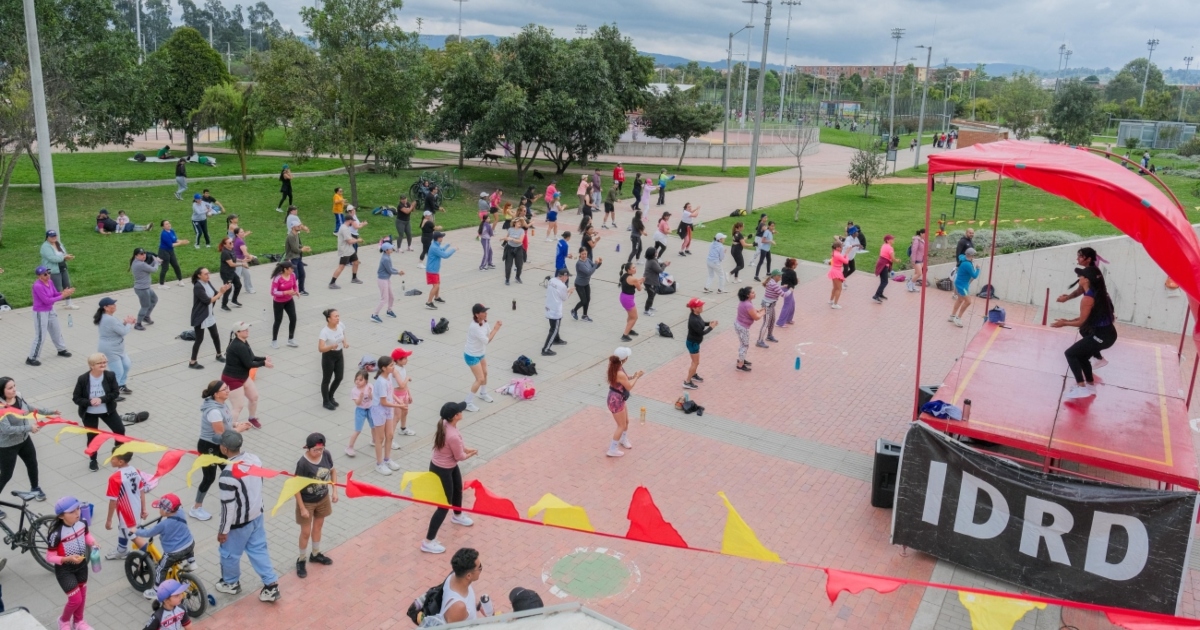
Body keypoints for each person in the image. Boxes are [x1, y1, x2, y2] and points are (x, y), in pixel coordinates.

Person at [214, 432, 281, 603]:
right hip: (257, 515)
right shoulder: (254, 459)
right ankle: (271, 585)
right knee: (258, 549)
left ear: (224, 448)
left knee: (229, 554)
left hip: (238, 523)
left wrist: (223, 531)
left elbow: (227, 507)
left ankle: (231, 583)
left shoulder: (227, 475)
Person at [1053, 266, 1118, 400]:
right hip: (1108, 333)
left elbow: (1082, 322)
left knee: (1070, 353)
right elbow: (1087, 318)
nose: (1079, 278)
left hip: (1102, 336)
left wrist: (1064, 323)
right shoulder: (1100, 293)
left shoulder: (1088, 298)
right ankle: (1090, 386)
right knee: (1082, 356)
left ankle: (1081, 388)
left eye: (1081, 276)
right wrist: (1068, 320)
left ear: (1086, 280)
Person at [421, 402, 477, 554]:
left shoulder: (446, 424)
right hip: (442, 470)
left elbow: (456, 446)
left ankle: (457, 515)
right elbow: (459, 456)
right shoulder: (451, 434)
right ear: (455, 416)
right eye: (459, 410)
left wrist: (465, 448)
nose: (461, 411)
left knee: (458, 489)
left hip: (447, 465)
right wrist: (470, 453)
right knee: (444, 505)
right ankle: (428, 541)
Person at [190, 380, 250, 521]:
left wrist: (236, 424)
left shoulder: (222, 404)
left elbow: (226, 422)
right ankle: (196, 508)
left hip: (220, 446)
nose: (228, 390)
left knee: (231, 472)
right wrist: (238, 430)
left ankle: (234, 502)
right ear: (216, 394)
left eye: (227, 388)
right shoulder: (214, 411)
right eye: (224, 389)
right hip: (209, 447)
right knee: (209, 478)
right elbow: (220, 435)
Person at [46, 496, 99, 630]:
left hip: (81, 566)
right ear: (61, 516)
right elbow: (49, 557)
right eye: (72, 512)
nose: (77, 513)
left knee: (82, 595)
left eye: (78, 509)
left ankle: (79, 622)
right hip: (65, 570)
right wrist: (66, 559)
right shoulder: (56, 534)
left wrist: (93, 542)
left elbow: (86, 535)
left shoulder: (83, 522)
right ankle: (63, 621)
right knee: (75, 599)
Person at [0, 378, 49, 514]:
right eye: (9, 388)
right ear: (2, 391)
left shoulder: (19, 397)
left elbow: (29, 408)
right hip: (7, 445)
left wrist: (49, 412)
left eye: (14, 386)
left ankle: (35, 488)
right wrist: (29, 428)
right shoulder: (0, 407)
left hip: (24, 440)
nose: (14, 389)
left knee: (32, 463)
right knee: (6, 475)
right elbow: (6, 429)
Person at [132, 494, 195, 598]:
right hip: (189, 544)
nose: (159, 509)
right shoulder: (181, 512)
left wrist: (136, 531)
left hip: (174, 552)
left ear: (166, 511)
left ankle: (156, 591)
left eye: (160, 507)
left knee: (161, 568)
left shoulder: (163, 525)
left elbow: (148, 533)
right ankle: (192, 562)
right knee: (187, 545)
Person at [293, 433, 337, 579]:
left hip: (323, 498)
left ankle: (315, 554)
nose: (319, 452)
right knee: (305, 532)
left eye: (321, 449)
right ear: (308, 448)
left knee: (318, 527)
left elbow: (332, 471)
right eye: (315, 450)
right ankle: (301, 559)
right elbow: (295, 487)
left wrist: (334, 490)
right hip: (307, 501)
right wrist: (302, 508)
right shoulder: (303, 463)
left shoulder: (326, 454)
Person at [223, 321, 271, 428]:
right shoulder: (238, 346)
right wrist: (264, 363)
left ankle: (252, 418)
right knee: (238, 406)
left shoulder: (244, 342)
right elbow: (249, 363)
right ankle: (229, 429)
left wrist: (264, 358)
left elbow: (251, 357)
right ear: (237, 332)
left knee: (254, 397)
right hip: (232, 379)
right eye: (244, 329)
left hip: (243, 376)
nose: (247, 331)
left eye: (247, 328)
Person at [102, 448, 147, 562]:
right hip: (136, 507)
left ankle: (151, 558)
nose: (110, 460)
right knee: (122, 529)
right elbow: (141, 491)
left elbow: (113, 501)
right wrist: (143, 509)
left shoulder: (115, 478)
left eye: (113, 458)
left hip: (127, 512)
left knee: (132, 536)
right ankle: (122, 550)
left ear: (120, 462)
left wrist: (109, 520)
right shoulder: (135, 470)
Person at [27, 266, 75, 367]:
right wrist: (63, 296)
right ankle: (32, 357)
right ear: (39, 276)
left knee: (56, 330)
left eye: (49, 273)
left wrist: (63, 292)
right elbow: (46, 300)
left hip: (51, 310)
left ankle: (61, 349)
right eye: (45, 274)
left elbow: (54, 294)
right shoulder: (37, 286)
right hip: (41, 312)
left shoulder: (50, 282)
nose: (48, 275)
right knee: (41, 335)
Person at [432, 548, 490, 623]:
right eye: (479, 567)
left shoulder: (454, 576)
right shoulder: (458, 607)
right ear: (468, 576)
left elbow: (467, 606)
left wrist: (477, 606)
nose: (481, 569)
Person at [369, 357, 405, 474]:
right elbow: (383, 401)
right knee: (380, 438)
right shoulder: (380, 382)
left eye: (393, 365)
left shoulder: (388, 377)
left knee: (389, 435)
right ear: (383, 368)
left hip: (388, 409)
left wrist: (398, 401)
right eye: (390, 365)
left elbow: (391, 393)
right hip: (379, 410)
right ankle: (379, 464)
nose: (393, 367)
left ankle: (387, 459)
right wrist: (398, 406)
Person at [189, 268, 229, 369]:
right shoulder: (198, 286)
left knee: (215, 335)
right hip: (200, 316)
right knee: (199, 339)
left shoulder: (207, 282)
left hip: (209, 314)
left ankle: (219, 355)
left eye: (208, 274)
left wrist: (222, 290)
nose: (208, 276)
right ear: (199, 275)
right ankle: (192, 362)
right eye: (206, 274)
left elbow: (216, 294)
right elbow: (207, 301)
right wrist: (221, 293)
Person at [605, 347, 642, 457]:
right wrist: (637, 377)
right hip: (616, 400)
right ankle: (612, 449)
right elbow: (629, 386)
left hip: (618, 397)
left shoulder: (615, 366)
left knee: (626, 421)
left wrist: (632, 376)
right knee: (621, 425)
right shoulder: (618, 371)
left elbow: (623, 379)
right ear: (624, 359)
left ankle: (623, 439)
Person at [94, 298, 135, 394]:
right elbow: (123, 331)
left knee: (126, 365)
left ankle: (121, 385)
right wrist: (129, 324)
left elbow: (117, 327)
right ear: (106, 308)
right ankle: (112, 393)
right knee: (118, 372)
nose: (115, 305)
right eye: (112, 304)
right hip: (110, 349)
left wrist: (124, 323)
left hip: (118, 348)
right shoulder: (109, 319)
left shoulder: (109, 317)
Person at [465, 304, 500, 412]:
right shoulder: (474, 327)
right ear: (477, 314)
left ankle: (483, 393)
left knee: (485, 373)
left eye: (486, 311)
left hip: (480, 353)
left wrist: (493, 330)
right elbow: (486, 340)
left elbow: (488, 334)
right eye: (483, 312)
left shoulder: (484, 322)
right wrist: (496, 329)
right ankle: (468, 402)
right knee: (479, 379)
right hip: (471, 355)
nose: (486, 313)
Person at [683, 298, 717, 390]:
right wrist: (711, 327)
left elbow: (701, 323)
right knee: (695, 362)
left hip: (694, 342)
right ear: (694, 308)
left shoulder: (696, 315)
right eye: (699, 306)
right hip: (693, 343)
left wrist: (709, 323)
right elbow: (701, 333)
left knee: (694, 362)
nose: (702, 307)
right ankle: (687, 381)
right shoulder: (693, 320)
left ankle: (693, 375)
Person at [318, 309, 348, 411]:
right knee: (327, 379)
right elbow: (320, 348)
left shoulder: (340, 325)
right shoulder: (324, 332)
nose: (338, 318)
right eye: (335, 316)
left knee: (339, 377)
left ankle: (330, 396)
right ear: (329, 319)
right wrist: (330, 347)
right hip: (328, 356)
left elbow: (343, 333)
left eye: (338, 316)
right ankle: (326, 401)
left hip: (339, 354)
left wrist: (344, 342)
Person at [40, 231, 78, 309]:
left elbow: (63, 253)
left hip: (62, 267)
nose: (54, 237)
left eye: (55, 236)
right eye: (51, 236)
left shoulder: (58, 243)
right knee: (56, 288)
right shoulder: (45, 247)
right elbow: (52, 258)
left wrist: (67, 256)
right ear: (47, 237)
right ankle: (49, 305)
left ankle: (69, 303)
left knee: (67, 285)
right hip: (53, 270)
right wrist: (64, 257)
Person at [542, 268, 572, 357]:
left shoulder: (552, 280)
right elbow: (565, 298)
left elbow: (557, 292)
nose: (567, 279)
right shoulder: (563, 286)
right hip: (555, 310)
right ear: (563, 276)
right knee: (553, 329)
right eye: (567, 277)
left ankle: (556, 339)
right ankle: (546, 349)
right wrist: (570, 291)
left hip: (548, 307)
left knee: (554, 326)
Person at [389, 347, 416, 445]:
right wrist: (408, 378)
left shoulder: (402, 368)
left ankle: (403, 429)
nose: (407, 360)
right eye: (405, 358)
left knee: (405, 412)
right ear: (398, 360)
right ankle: (390, 440)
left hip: (404, 394)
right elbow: (401, 384)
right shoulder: (395, 370)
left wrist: (409, 393)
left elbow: (404, 385)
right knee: (396, 417)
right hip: (397, 396)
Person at [129, 249, 161, 329]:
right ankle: (138, 324)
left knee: (154, 300)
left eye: (144, 254)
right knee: (145, 306)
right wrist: (156, 262)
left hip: (146, 287)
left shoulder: (138, 262)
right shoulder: (140, 264)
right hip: (142, 289)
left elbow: (149, 268)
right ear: (136, 256)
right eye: (141, 254)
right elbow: (154, 269)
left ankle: (146, 317)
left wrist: (155, 262)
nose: (144, 255)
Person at [330, 217, 365, 289]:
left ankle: (354, 278)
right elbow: (349, 241)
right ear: (349, 221)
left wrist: (356, 239)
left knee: (356, 262)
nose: (353, 223)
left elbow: (350, 238)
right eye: (352, 221)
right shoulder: (344, 229)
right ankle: (332, 283)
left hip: (350, 249)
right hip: (345, 250)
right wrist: (358, 240)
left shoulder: (345, 227)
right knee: (341, 267)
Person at [345, 370, 373, 457]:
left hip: (370, 408)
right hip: (360, 410)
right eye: (356, 379)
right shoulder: (354, 391)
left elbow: (373, 398)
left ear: (366, 381)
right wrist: (360, 397)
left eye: (360, 380)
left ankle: (374, 440)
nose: (358, 381)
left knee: (374, 426)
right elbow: (357, 403)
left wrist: (369, 394)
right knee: (358, 430)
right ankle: (350, 447)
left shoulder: (370, 386)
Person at [949, 248, 980, 327]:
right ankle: (958, 318)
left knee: (960, 300)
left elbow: (960, 255)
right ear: (971, 256)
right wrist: (978, 269)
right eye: (974, 255)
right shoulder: (967, 265)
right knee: (968, 301)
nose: (974, 257)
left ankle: (952, 316)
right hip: (963, 286)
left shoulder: (963, 259)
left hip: (959, 283)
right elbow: (975, 275)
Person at [734, 286, 762, 372]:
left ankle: (741, 359)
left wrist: (756, 310)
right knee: (745, 345)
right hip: (743, 328)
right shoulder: (748, 304)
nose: (754, 294)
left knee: (742, 343)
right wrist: (762, 313)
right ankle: (740, 365)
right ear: (747, 295)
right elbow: (756, 318)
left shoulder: (745, 302)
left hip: (738, 324)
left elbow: (750, 311)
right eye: (752, 292)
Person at [425, 231, 455, 309]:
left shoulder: (436, 245)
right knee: (436, 286)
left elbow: (441, 249)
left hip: (434, 269)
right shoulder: (434, 247)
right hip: (431, 270)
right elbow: (445, 255)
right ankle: (428, 302)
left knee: (438, 283)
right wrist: (454, 249)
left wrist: (448, 245)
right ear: (438, 238)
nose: (442, 238)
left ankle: (437, 297)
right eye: (441, 237)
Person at [572, 248, 601, 322]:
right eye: (582, 254)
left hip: (586, 283)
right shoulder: (579, 264)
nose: (584, 255)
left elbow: (595, 267)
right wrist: (596, 264)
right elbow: (589, 272)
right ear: (580, 254)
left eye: (585, 254)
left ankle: (584, 315)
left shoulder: (587, 260)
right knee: (583, 301)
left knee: (588, 299)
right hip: (579, 284)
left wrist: (599, 262)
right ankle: (574, 310)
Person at [157, 220, 188, 288]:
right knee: (165, 268)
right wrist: (181, 243)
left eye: (169, 223)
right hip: (164, 252)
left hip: (170, 251)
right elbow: (171, 245)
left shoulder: (172, 231)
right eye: (166, 224)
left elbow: (175, 240)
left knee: (176, 265)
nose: (168, 225)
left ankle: (180, 280)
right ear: (163, 227)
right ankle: (161, 284)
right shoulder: (164, 234)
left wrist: (182, 241)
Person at [756, 270, 782, 348]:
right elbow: (783, 294)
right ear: (775, 276)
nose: (781, 277)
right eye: (779, 275)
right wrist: (790, 291)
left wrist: (783, 287)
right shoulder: (773, 284)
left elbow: (777, 289)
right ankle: (759, 341)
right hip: (767, 305)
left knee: (772, 319)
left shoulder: (772, 282)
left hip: (771, 305)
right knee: (766, 322)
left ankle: (769, 335)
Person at [619, 262, 644, 342]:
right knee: (634, 317)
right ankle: (625, 335)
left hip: (623, 297)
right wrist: (641, 281)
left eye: (635, 267)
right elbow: (639, 289)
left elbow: (632, 283)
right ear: (628, 269)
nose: (635, 269)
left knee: (630, 316)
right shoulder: (633, 279)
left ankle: (629, 329)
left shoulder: (625, 276)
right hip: (628, 299)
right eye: (633, 268)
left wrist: (638, 281)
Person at [216, 237, 243, 311]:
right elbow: (231, 264)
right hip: (226, 273)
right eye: (230, 243)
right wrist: (242, 264)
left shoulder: (231, 249)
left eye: (232, 242)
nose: (232, 244)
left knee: (238, 285)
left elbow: (234, 259)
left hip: (231, 272)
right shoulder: (225, 253)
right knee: (228, 288)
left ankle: (234, 300)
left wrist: (243, 260)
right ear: (225, 245)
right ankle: (223, 305)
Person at [231, 227, 257, 294]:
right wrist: (251, 257)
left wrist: (247, 233)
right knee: (237, 277)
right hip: (239, 261)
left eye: (243, 231)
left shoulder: (236, 239)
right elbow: (245, 253)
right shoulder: (240, 241)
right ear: (237, 234)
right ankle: (231, 292)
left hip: (241, 260)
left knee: (247, 275)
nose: (243, 233)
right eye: (241, 232)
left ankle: (249, 288)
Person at [643, 249, 668, 317]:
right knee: (651, 295)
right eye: (656, 252)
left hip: (652, 281)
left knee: (653, 293)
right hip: (649, 281)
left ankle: (650, 306)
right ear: (653, 254)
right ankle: (646, 310)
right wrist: (664, 265)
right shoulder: (652, 261)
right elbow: (660, 270)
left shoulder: (653, 259)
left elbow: (658, 265)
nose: (657, 253)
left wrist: (663, 263)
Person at [873, 234, 896, 304]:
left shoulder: (884, 245)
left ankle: (880, 294)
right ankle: (876, 295)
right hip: (884, 265)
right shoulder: (890, 248)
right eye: (892, 239)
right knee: (885, 282)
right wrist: (897, 260)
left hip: (880, 264)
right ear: (888, 240)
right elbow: (893, 259)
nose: (893, 240)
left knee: (882, 281)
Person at [777, 259, 799, 327]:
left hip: (785, 288)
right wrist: (797, 280)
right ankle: (780, 322)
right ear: (792, 265)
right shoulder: (793, 272)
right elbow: (795, 282)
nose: (797, 265)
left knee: (792, 304)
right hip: (789, 289)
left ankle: (789, 319)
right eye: (796, 264)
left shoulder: (783, 269)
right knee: (787, 305)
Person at [828, 240, 848, 309]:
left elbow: (842, 258)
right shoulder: (838, 254)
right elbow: (846, 261)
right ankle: (835, 304)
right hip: (837, 272)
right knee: (839, 288)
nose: (842, 248)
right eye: (841, 247)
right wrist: (847, 254)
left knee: (835, 287)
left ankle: (831, 300)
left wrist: (845, 254)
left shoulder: (834, 253)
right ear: (837, 248)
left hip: (833, 271)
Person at [907, 228, 927, 292]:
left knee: (916, 273)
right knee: (919, 273)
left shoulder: (923, 240)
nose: (926, 235)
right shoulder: (916, 240)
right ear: (921, 234)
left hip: (921, 259)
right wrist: (913, 260)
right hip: (916, 260)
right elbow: (914, 251)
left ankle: (913, 286)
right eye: (924, 234)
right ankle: (909, 283)